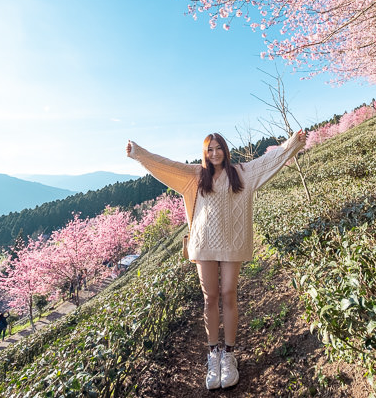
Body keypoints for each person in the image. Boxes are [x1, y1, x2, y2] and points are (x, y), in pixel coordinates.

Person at [126, 130, 306, 390]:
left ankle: (229, 355)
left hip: (233, 242)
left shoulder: (242, 172)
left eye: (218, 148)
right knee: (209, 297)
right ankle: (213, 354)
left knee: (228, 293)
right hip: (203, 244)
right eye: (209, 150)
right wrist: (139, 153)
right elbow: (166, 165)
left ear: (225, 150)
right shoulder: (196, 176)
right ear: (204, 153)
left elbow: (271, 160)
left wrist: (293, 144)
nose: (214, 154)